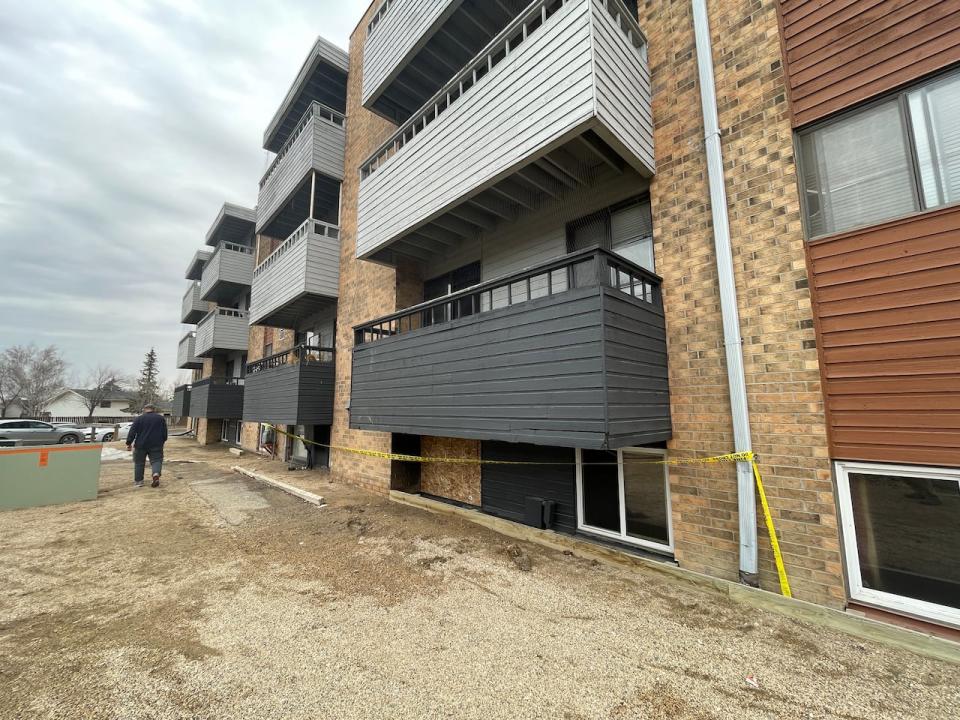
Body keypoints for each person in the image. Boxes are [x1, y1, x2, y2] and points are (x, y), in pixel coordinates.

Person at [126, 404, 168, 488]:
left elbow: (132, 432)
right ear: (154, 409)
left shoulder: (139, 419)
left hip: (140, 444)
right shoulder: (160, 418)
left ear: (145, 409)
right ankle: (155, 474)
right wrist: (162, 441)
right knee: (156, 460)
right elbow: (165, 432)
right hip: (156, 444)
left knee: (139, 463)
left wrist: (129, 443)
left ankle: (139, 482)